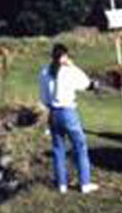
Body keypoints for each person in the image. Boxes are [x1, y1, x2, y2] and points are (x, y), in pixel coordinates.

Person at [40, 44, 97, 193]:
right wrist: (73, 65)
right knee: (80, 146)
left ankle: (62, 185)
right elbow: (86, 83)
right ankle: (84, 183)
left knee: (58, 149)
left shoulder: (45, 71)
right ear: (64, 57)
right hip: (68, 112)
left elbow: (44, 97)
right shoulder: (69, 71)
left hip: (53, 113)